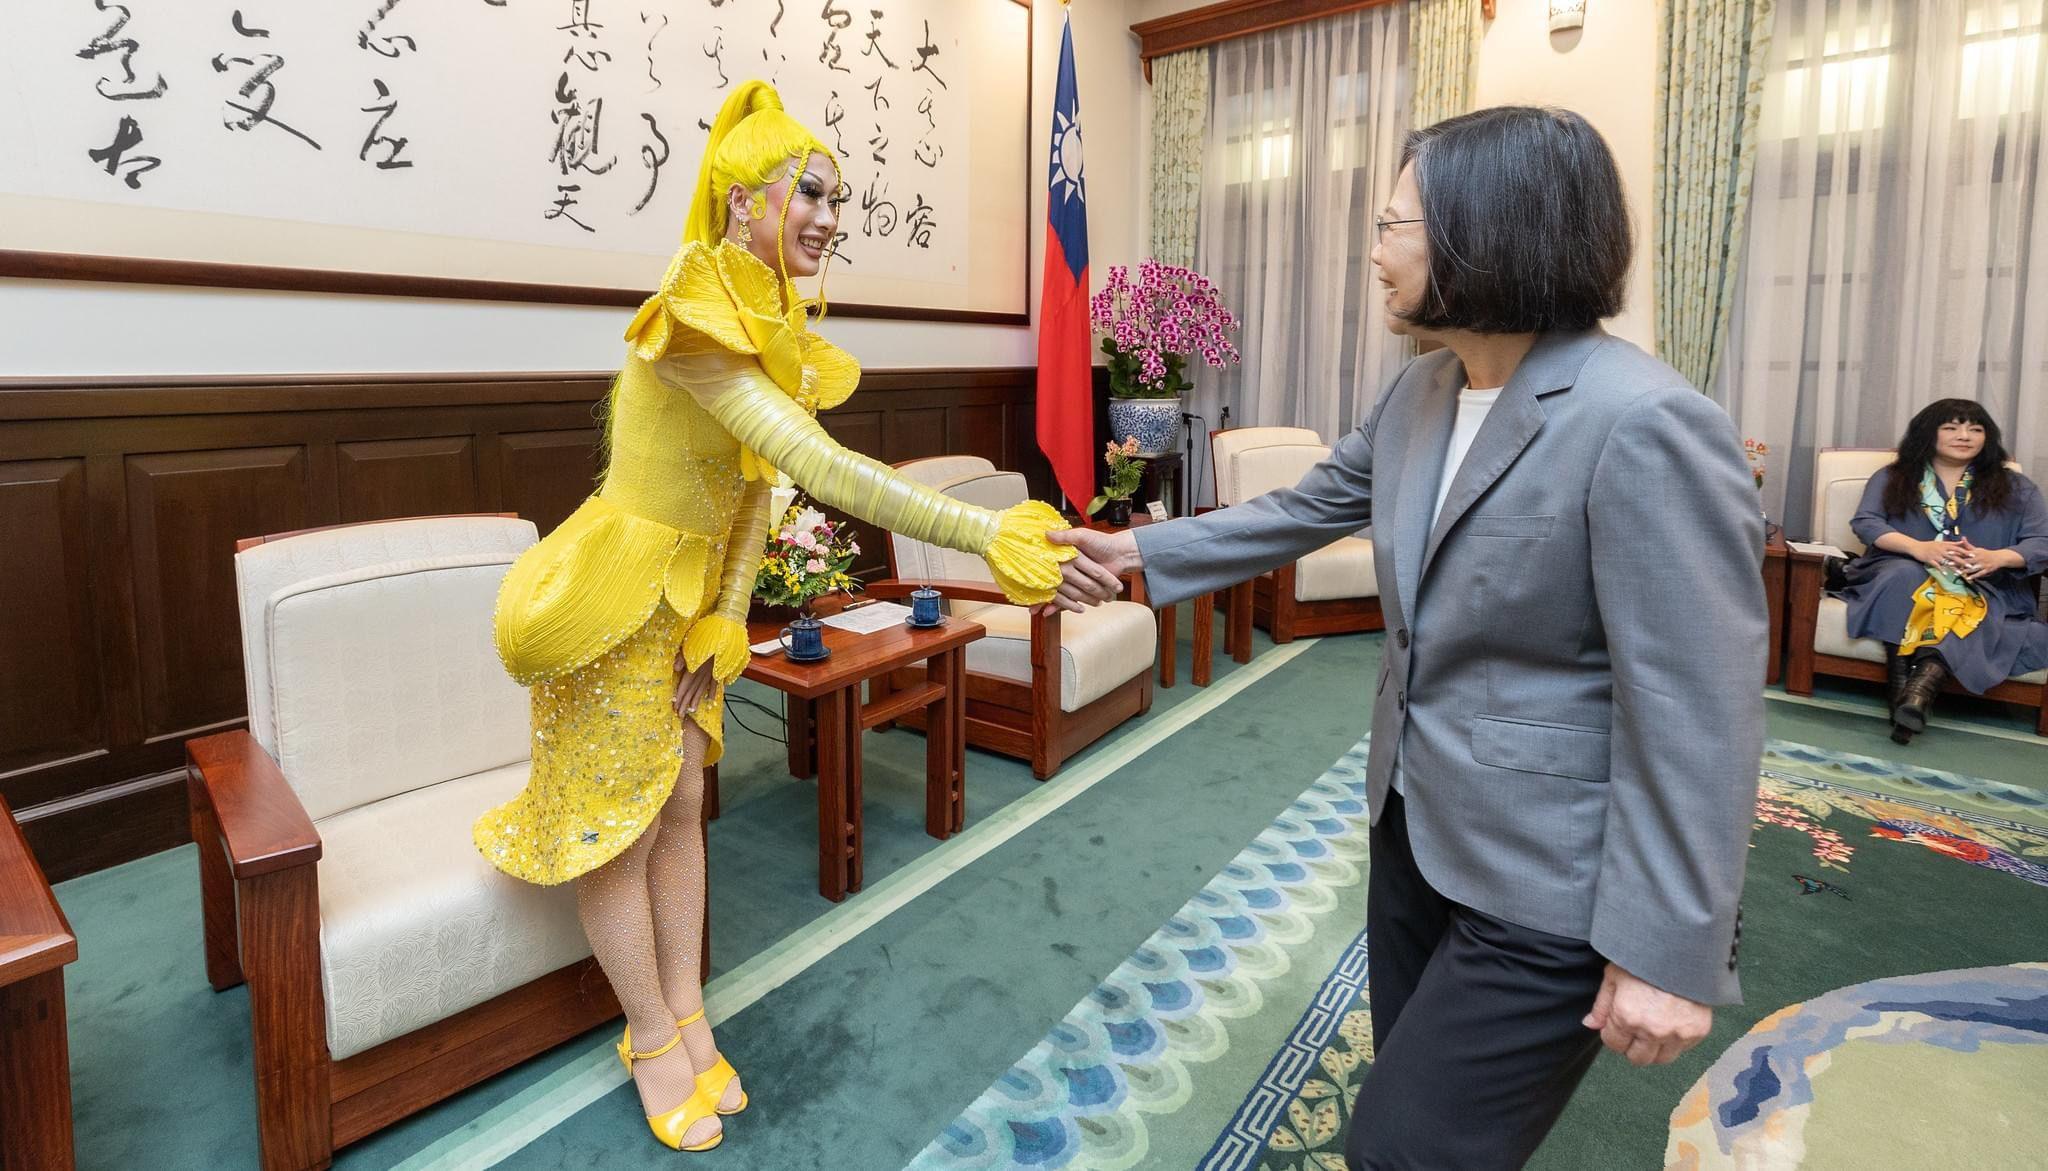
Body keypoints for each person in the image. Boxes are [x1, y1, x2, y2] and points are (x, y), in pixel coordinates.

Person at [1045, 107, 1766, 1168]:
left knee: (1398, 1147)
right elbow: (1301, 508)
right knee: (1422, 1104)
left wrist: (1668, 947)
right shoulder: (1423, 388)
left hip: (1549, 879)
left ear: (1490, 233)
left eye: (1393, 224)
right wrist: (1134, 556)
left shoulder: (1643, 421)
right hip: (1414, 826)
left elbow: (1697, 707)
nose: (1373, 251)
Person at [478, 81, 1072, 1153]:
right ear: (742, 197)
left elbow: (757, 494)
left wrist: (726, 618)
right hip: (614, 599)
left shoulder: (766, 318)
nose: (829, 217)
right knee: (616, 833)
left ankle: (688, 1018)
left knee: (677, 809)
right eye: (810, 192)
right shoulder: (695, 313)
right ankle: (649, 1035)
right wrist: (984, 535)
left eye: (837, 196)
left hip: (686, 603)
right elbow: (812, 462)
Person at [1837, 399, 2048, 743]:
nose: (1964, 436)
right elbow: (1866, 523)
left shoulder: (2017, 487)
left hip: (1984, 584)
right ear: (1928, 433)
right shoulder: (1894, 476)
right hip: (1901, 570)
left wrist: (1998, 558)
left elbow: (2041, 541)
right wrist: (1918, 547)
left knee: (1978, 605)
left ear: (1987, 437)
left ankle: (1915, 694)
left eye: (1975, 429)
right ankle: (1904, 691)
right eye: (1951, 427)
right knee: (1901, 577)